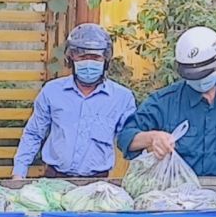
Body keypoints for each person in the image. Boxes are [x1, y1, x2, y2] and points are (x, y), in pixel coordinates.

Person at [117, 26, 216, 177]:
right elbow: (125, 137)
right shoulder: (164, 102)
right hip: (175, 195)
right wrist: (152, 138)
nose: (200, 81)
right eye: (193, 75)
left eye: (204, 73)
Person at [11, 23, 137, 179]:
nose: (89, 62)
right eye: (83, 57)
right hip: (53, 180)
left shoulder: (122, 98)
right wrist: (18, 173)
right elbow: (34, 134)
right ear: (71, 59)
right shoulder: (52, 91)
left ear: (106, 60)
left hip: (96, 183)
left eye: (95, 57)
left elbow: (130, 139)